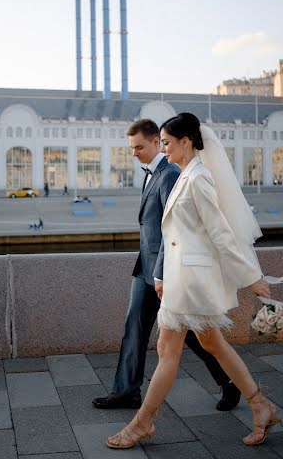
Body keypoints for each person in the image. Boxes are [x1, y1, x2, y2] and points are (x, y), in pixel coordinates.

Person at [107, 113, 280, 450]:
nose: (164, 149)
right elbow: (175, 233)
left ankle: (143, 422)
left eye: (168, 143)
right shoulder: (187, 173)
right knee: (212, 345)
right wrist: (161, 274)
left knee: (168, 350)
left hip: (190, 282)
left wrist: (252, 276)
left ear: (186, 141)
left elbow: (220, 234)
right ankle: (262, 406)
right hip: (181, 278)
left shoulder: (198, 178)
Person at [93, 118, 239, 413]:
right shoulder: (153, 172)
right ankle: (126, 392)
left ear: (156, 143)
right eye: (131, 148)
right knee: (134, 325)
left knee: (195, 334)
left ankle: (230, 382)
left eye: (138, 147)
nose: (133, 153)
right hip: (144, 268)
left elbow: (171, 230)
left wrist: (161, 273)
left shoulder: (171, 173)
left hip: (165, 270)